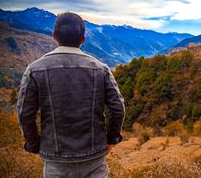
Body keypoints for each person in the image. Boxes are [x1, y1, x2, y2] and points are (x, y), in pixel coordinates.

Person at [17, 12, 125, 178]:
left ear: (54, 36)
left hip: (56, 160)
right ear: (83, 39)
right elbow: (118, 109)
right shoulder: (101, 69)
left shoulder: (34, 70)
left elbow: (25, 114)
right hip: (94, 158)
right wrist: (111, 140)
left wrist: (35, 145)